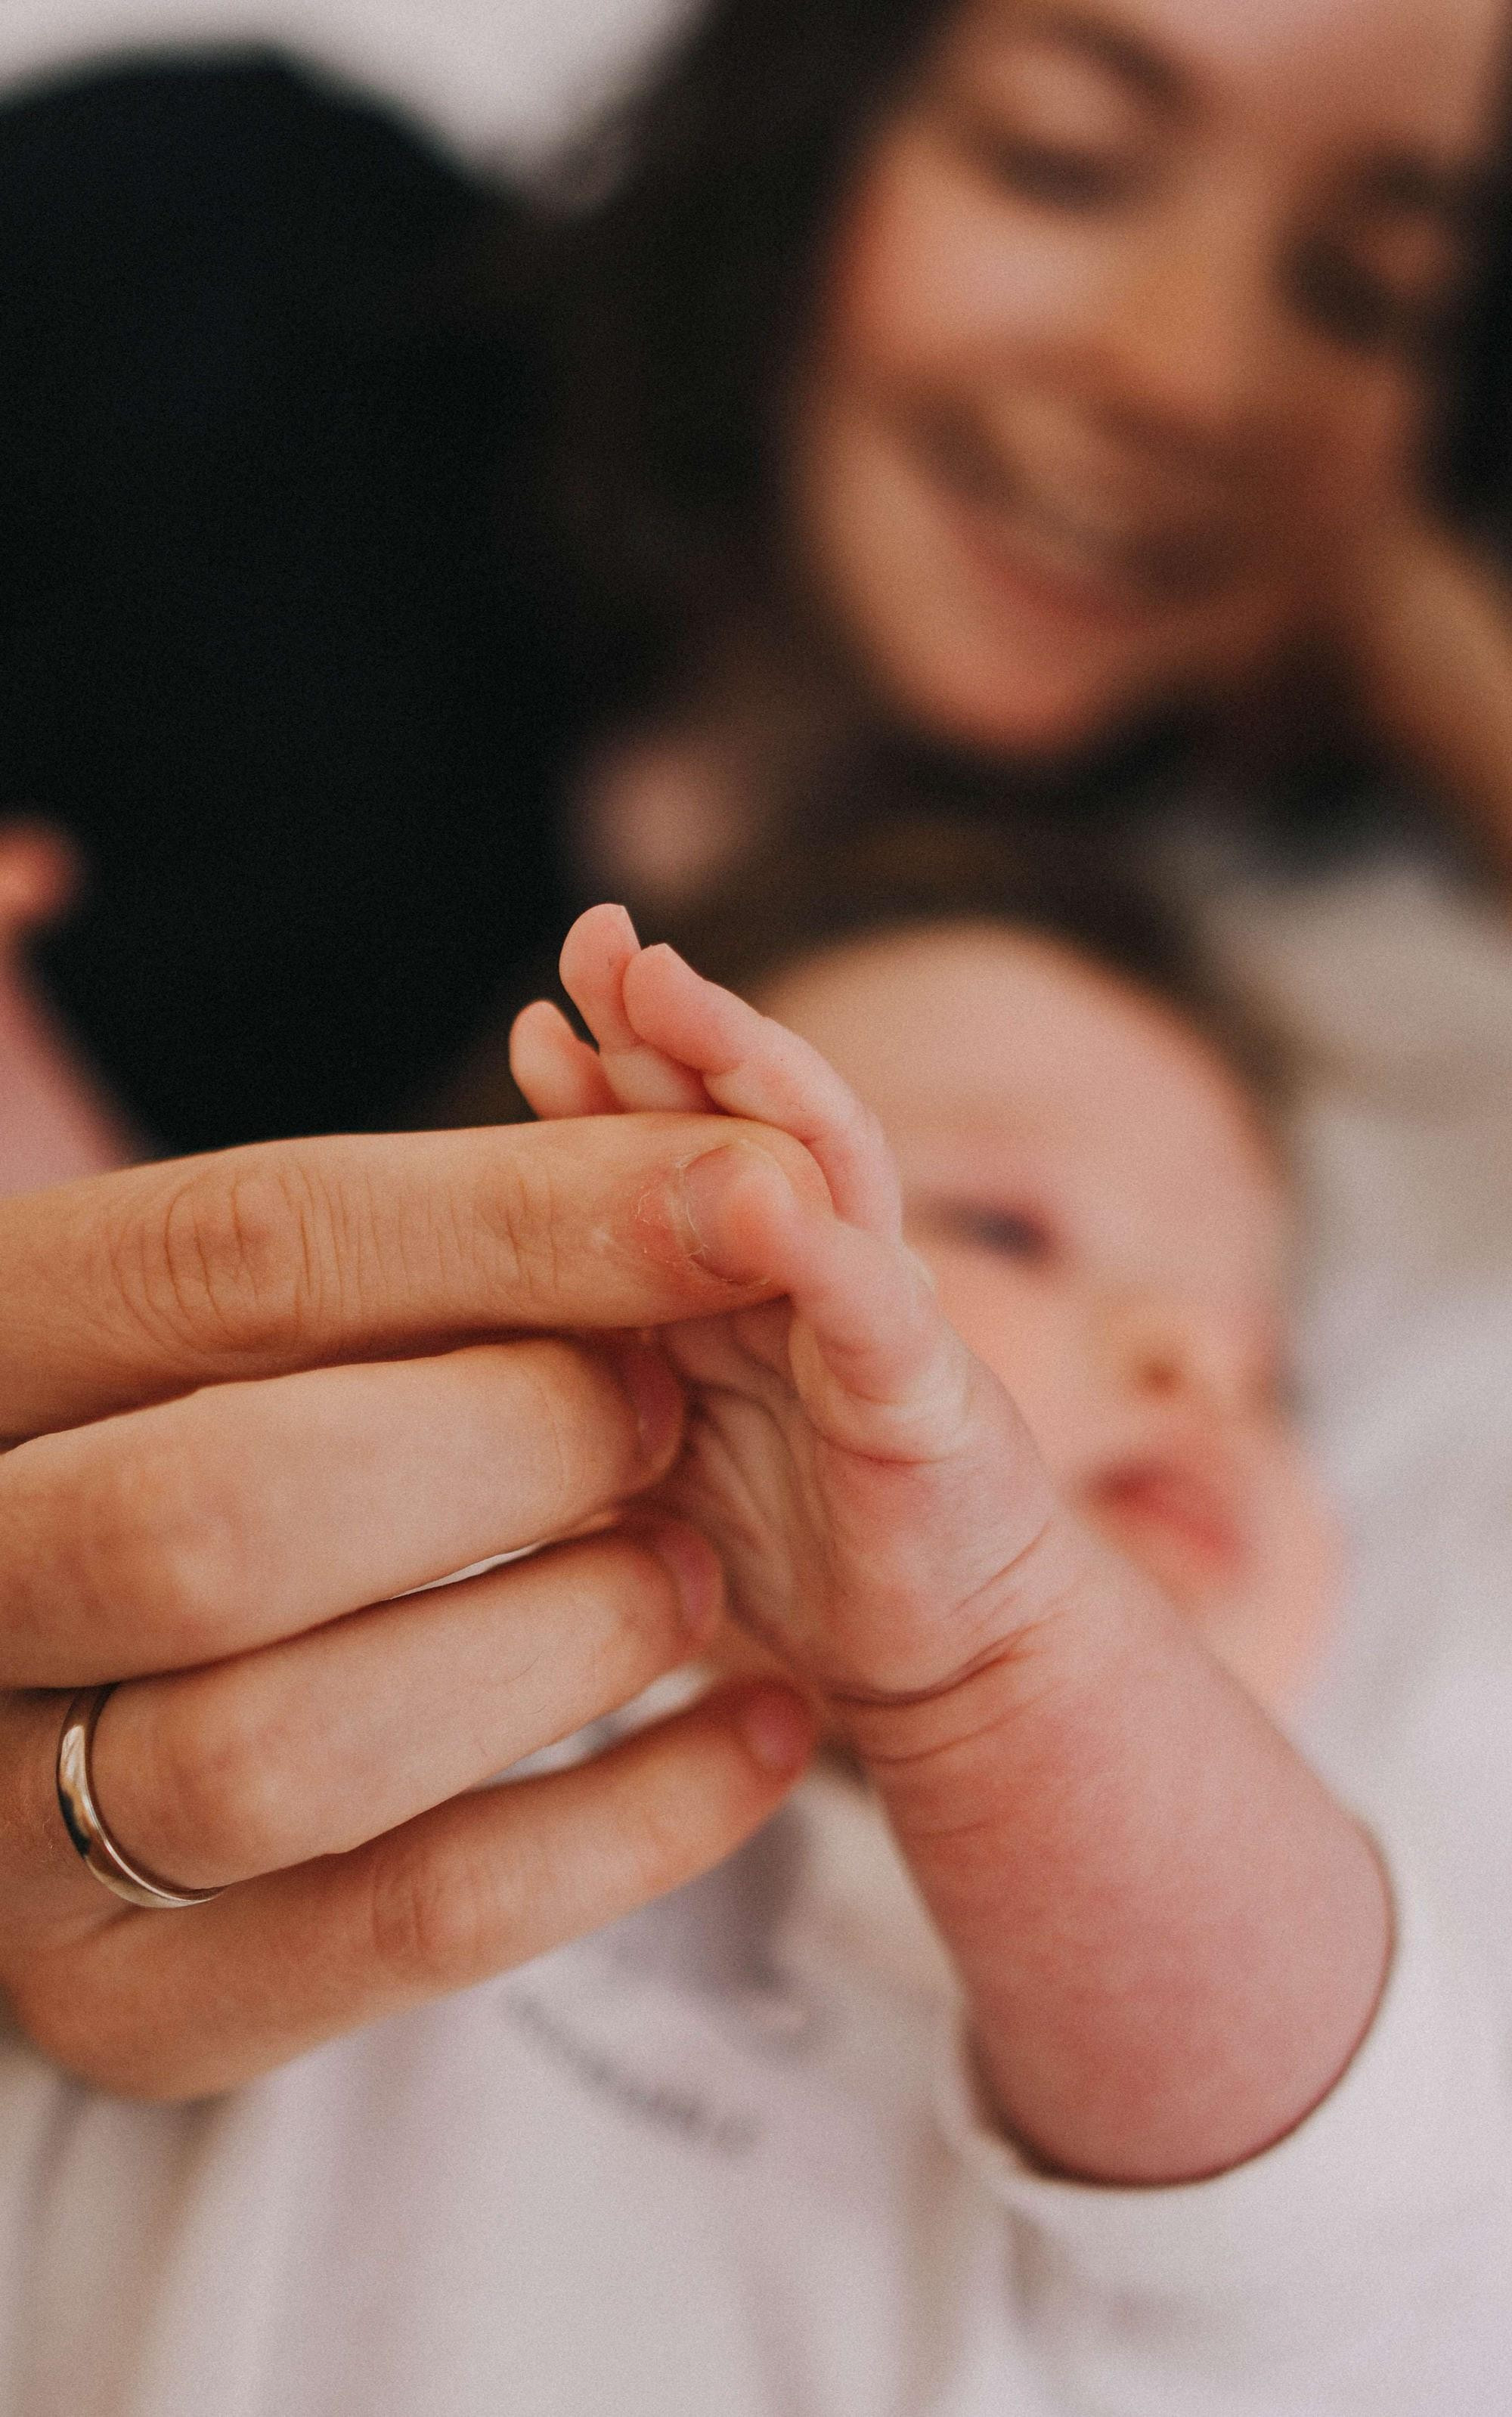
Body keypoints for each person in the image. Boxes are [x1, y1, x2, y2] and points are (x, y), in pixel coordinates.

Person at [0, 823, 1504, 2410]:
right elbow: (116, 1440)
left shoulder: (1215, 1913)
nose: (1188, 1364)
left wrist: (996, 1654)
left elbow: (1341, 2185)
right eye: (1010, 1227)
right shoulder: (379, 1602)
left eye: (1270, 1378)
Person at [2, 0, 1510, 1159]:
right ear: (808, 117)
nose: (1189, 379)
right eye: (1062, 160)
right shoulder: (216, 255)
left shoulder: (1142, 1011)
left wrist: (1405, 607)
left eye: (1367, 292)